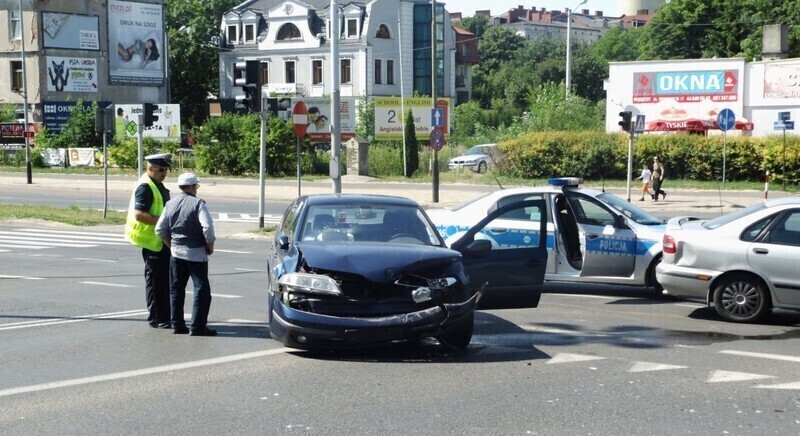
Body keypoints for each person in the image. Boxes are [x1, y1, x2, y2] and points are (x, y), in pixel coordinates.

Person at [155, 173, 217, 336]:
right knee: (201, 290)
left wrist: (171, 245)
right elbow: (207, 228)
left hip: (176, 253)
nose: (197, 189)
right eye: (196, 186)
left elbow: (160, 229)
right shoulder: (198, 204)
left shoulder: (170, 204)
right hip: (196, 254)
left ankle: (177, 324)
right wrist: (209, 244)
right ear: (193, 186)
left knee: (176, 289)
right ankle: (197, 326)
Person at [124, 153, 172, 329]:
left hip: (160, 240)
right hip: (152, 242)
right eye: (161, 170)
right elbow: (140, 215)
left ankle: (165, 316)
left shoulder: (157, 185)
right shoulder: (145, 186)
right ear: (150, 168)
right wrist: (164, 222)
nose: (164, 173)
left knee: (163, 282)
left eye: (166, 170)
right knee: (155, 282)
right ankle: (157, 318)